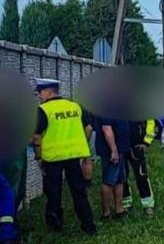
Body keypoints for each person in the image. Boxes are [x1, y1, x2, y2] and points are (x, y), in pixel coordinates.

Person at [32, 78, 96, 235]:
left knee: (53, 192)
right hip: (73, 156)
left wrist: (38, 157)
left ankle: (56, 225)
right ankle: (88, 225)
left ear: (48, 91)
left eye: (40, 93)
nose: (39, 97)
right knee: (79, 191)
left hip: (52, 158)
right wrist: (81, 144)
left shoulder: (43, 110)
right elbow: (88, 128)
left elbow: (36, 137)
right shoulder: (75, 106)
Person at [94, 111, 131, 219]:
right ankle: (106, 212)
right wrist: (113, 150)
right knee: (109, 181)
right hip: (111, 150)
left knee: (119, 179)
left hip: (120, 149)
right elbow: (106, 129)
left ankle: (119, 209)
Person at [123, 119, 155, 212]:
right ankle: (126, 203)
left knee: (141, 175)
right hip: (120, 147)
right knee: (122, 176)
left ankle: (148, 204)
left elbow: (150, 122)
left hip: (137, 147)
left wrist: (146, 142)